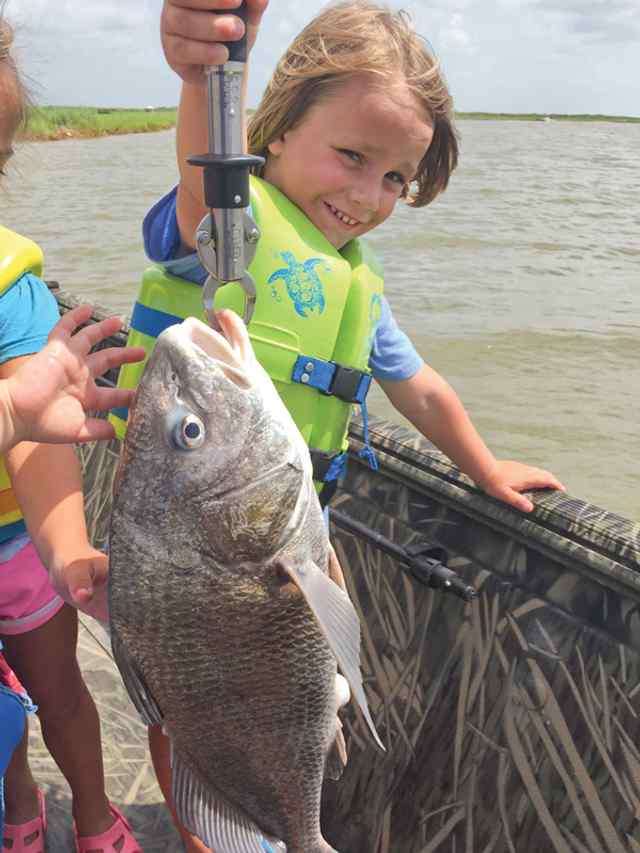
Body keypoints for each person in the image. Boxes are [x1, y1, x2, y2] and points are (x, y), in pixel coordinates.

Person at [121, 0, 566, 849]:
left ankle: (293, 827)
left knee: (307, 709)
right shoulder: (225, 232)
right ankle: (213, 828)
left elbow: (421, 388)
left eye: (395, 178)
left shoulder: (356, 285)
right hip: (199, 566)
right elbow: (202, 178)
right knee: (192, 725)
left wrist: (486, 466)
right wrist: (212, 72)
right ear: (276, 132)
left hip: (288, 555)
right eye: (353, 156)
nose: (369, 196)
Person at [0, 8, 145, 852]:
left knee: (60, 691)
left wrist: (66, 550)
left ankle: (92, 814)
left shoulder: (11, 286)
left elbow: (37, 431)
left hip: (18, 542)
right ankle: (20, 804)